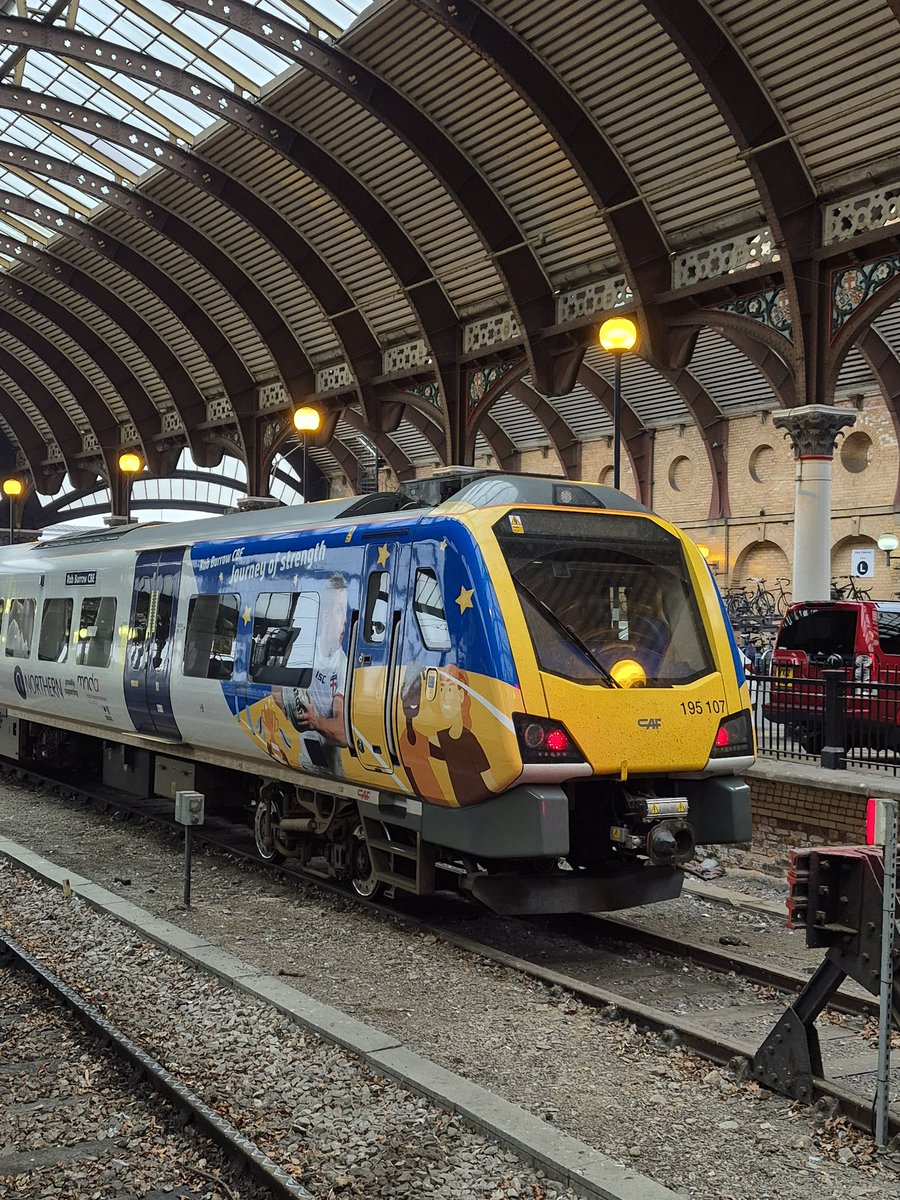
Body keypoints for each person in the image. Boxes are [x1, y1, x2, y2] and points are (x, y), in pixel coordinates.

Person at [273, 572, 349, 773]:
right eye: (340, 611)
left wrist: (317, 721)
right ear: (325, 616)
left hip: (333, 772)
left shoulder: (343, 666)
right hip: (303, 763)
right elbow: (277, 692)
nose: (345, 620)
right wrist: (291, 704)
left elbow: (343, 733)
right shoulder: (302, 652)